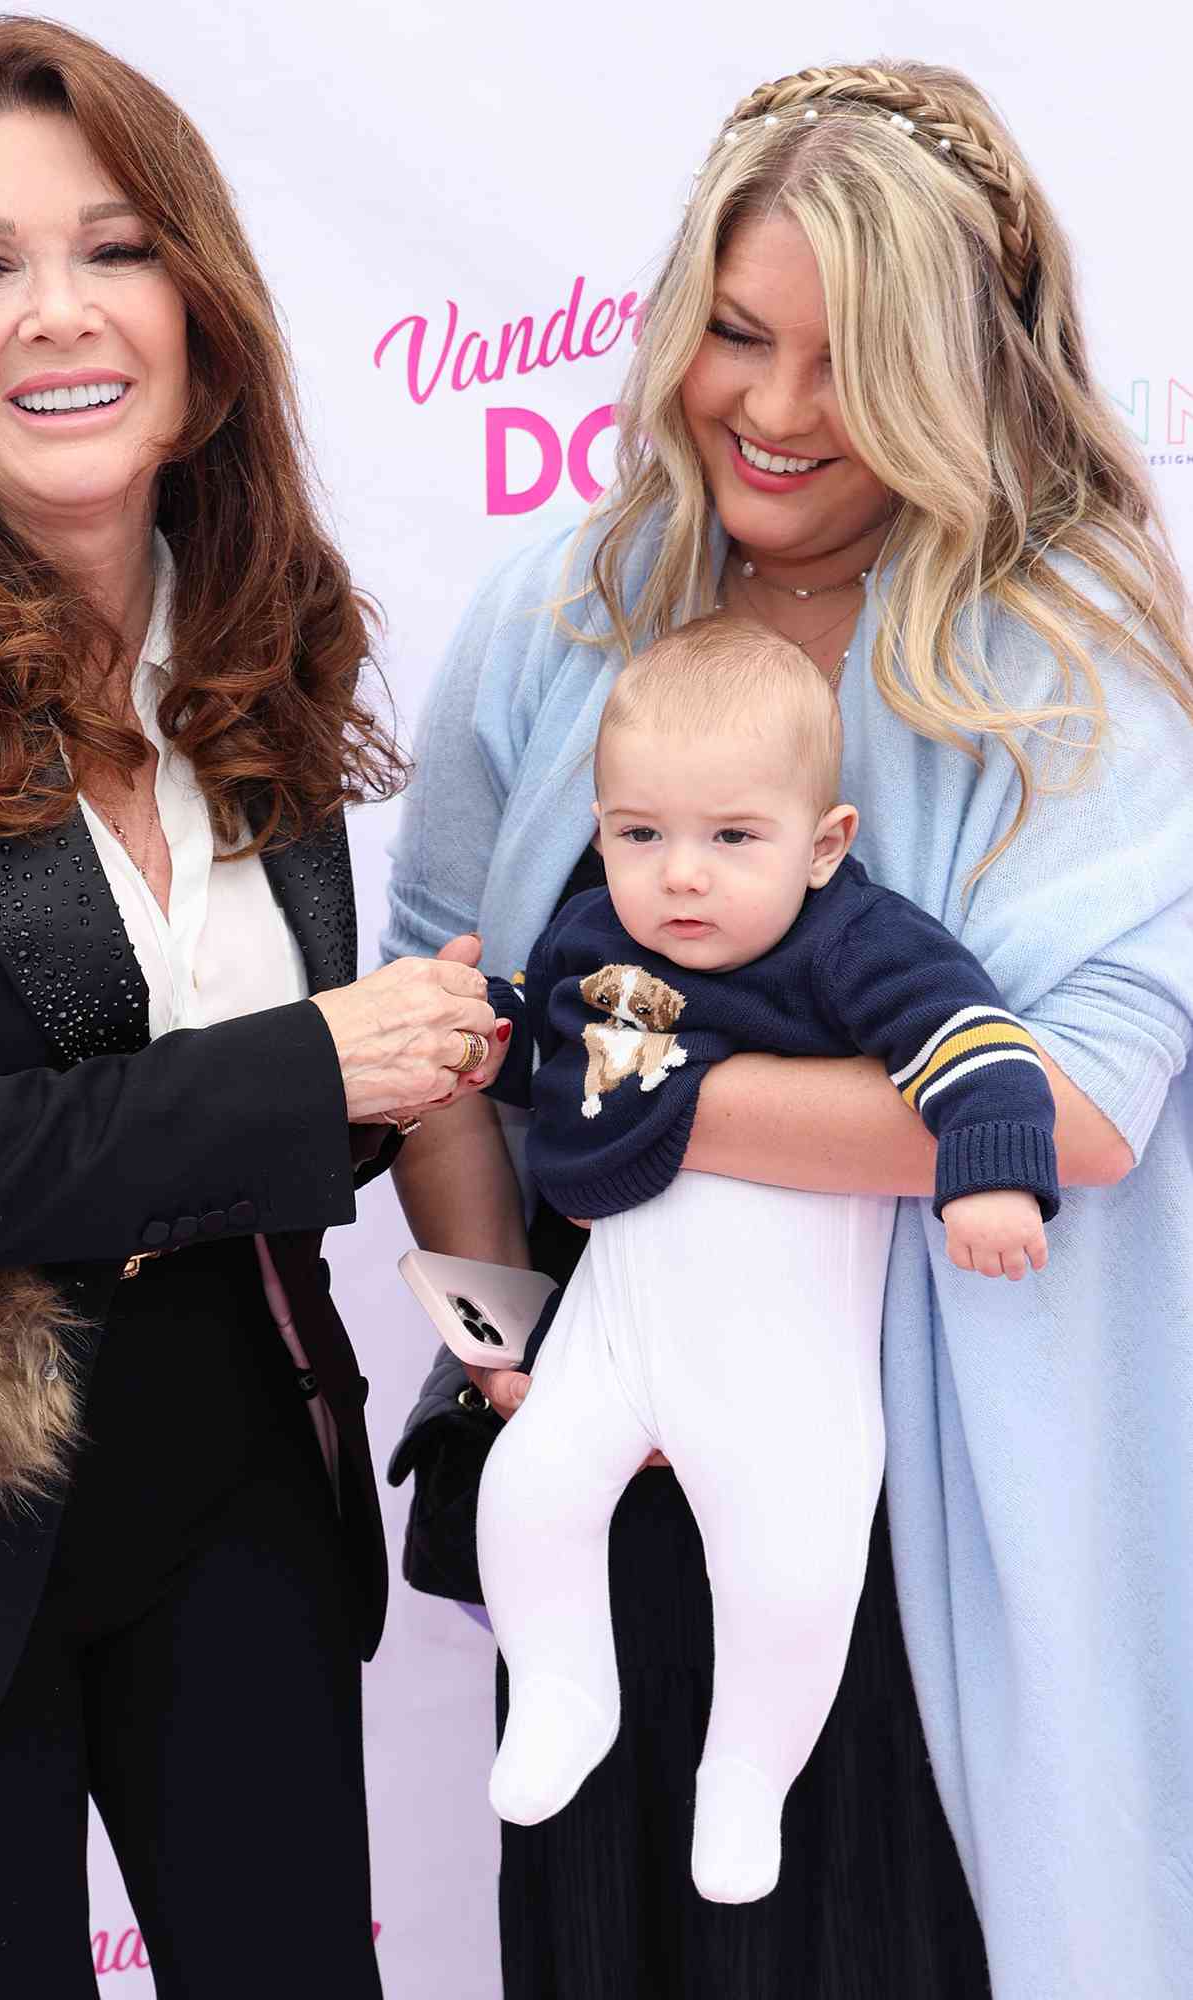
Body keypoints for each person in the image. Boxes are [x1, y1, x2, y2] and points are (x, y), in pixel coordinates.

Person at [0, 19, 497, 1999]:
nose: (55, 310)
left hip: (229, 1452)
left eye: (113, 244)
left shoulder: (258, 642)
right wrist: (319, 1060)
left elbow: (325, 1106)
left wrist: (505, 1273)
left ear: (202, 313)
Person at [383, 58, 1193, 2000]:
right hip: (619, 1449)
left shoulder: (1061, 649)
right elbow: (440, 1004)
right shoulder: (564, 606)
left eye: (849, 361)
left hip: (937, 1508)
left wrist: (634, 1089)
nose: (769, 406)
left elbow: (1077, 1103)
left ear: (966, 370)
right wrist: (507, 1337)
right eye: (736, 334)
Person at [470, 618, 1057, 1907]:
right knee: (525, 1497)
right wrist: (478, 1031)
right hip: (613, 1329)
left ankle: (749, 1773)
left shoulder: (852, 947)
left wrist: (996, 1169)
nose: (682, 878)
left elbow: (976, 1044)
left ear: (825, 841)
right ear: (603, 825)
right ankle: (564, 1688)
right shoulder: (590, 938)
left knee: (793, 1574)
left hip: (783, 1367)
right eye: (641, 834)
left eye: (734, 839)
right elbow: (558, 1055)